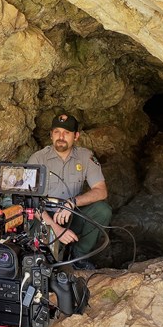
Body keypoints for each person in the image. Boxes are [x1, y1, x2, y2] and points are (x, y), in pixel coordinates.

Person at [27, 113, 112, 270]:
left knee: (102, 210)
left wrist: (72, 203)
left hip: (69, 215)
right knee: (45, 249)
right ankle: (47, 255)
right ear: (51, 135)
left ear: (76, 136)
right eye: (57, 132)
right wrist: (55, 228)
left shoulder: (85, 157)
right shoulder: (38, 159)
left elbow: (101, 191)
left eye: (66, 133)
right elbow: (30, 202)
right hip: (43, 217)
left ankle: (78, 256)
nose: (61, 137)